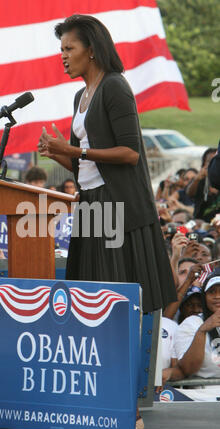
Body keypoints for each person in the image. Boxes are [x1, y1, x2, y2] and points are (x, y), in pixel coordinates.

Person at [37, 14, 177, 315]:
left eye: (68, 49)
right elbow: (82, 164)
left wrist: (74, 150)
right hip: (89, 200)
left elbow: (130, 154)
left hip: (116, 203)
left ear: (91, 50)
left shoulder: (114, 86)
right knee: (90, 291)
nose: (63, 57)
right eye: (61, 50)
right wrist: (57, 152)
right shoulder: (80, 97)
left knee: (114, 295)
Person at [173, 271, 220, 379]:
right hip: (202, 394)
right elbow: (187, 369)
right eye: (212, 292)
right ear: (204, 296)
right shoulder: (192, 323)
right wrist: (201, 331)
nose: (217, 296)